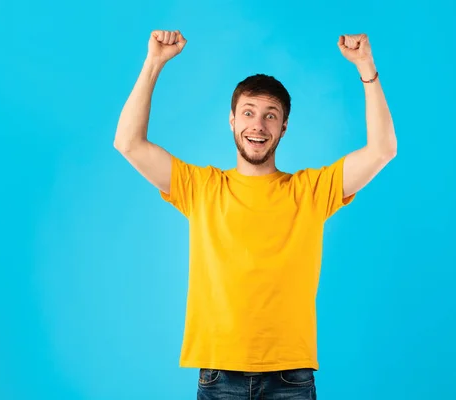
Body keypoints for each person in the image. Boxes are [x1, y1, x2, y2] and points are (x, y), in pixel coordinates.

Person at [114, 29, 396, 400]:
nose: (258, 125)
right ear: (232, 121)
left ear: (283, 128)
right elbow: (128, 143)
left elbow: (382, 150)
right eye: (248, 113)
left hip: (290, 378)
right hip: (219, 375)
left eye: (270, 116)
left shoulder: (310, 191)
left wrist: (366, 68)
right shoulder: (201, 187)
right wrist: (153, 63)